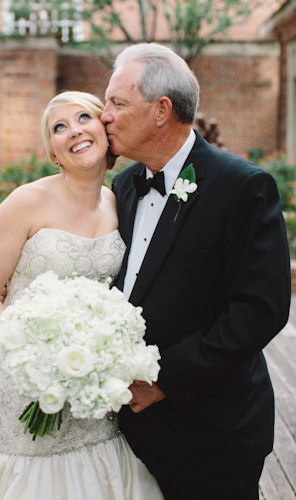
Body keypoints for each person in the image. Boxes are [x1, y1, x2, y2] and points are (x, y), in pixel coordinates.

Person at [0, 91, 163, 499]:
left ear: (105, 131)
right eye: (59, 127)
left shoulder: (121, 201)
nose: (74, 131)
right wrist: (33, 354)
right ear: (53, 151)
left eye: (84, 118)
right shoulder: (25, 202)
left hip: (91, 379)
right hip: (25, 374)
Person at [102, 43, 291, 500]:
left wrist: (164, 379)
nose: (104, 114)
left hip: (211, 432)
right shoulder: (124, 185)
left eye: (117, 103)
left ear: (161, 110)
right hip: (127, 433)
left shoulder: (242, 186)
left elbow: (259, 311)